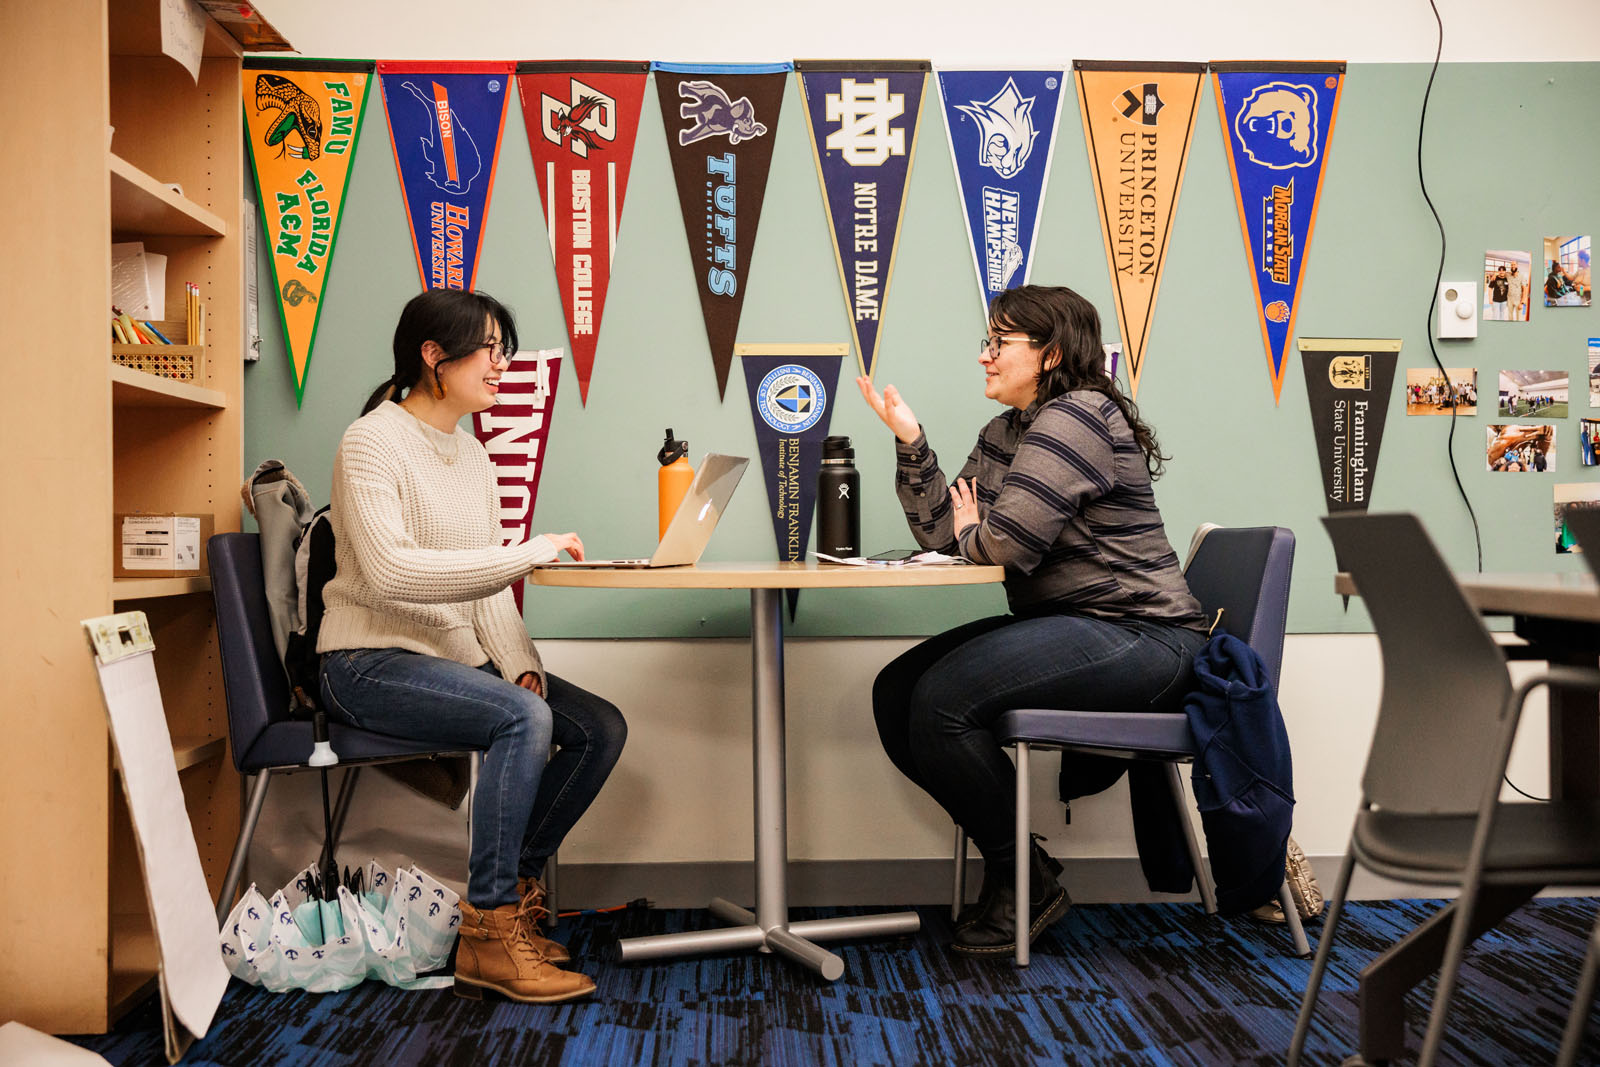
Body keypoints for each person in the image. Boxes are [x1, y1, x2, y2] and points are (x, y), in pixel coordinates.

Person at [856, 285, 1208, 957]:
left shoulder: (1076, 416)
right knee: (898, 691)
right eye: (986, 341)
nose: (985, 356)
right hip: (1082, 626)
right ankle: (1028, 868)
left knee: (942, 701)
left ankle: (1022, 879)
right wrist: (912, 440)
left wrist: (975, 533)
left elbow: (1004, 545)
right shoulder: (1007, 433)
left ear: (1049, 354)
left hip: (1147, 637)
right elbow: (942, 530)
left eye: (999, 342)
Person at [317, 288, 627, 1003]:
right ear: (434, 356)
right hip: (364, 660)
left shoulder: (475, 456)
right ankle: (487, 930)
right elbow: (394, 569)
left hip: (441, 656)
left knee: (596, 727)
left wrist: (521, 663)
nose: (501, 364)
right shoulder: (370, 439)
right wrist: (528, 551)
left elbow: (485, 589)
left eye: (502, 349)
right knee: (523, 721)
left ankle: (510, 896)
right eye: (489, 349)